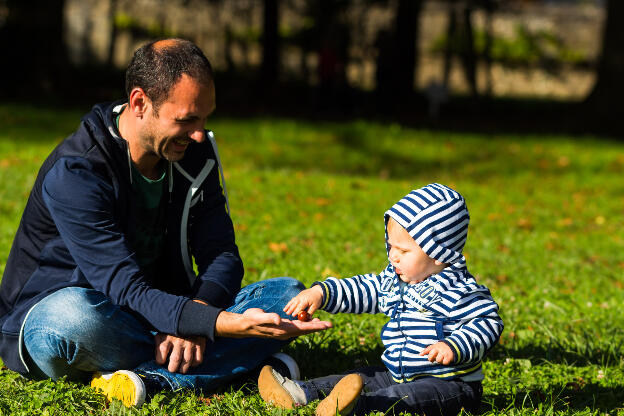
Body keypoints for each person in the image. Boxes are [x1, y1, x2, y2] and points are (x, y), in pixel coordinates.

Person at [0, 38, 331, 407]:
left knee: (289, 295)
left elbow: (221, 253)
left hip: (165, 310)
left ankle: (146, 379)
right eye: (187, 119)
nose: (200, 133)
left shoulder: (195, 150)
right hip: (74, 315)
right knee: (69, 320)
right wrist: (217, 325)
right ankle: (243, 363)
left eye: (206, 118)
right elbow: (123, 287)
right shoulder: (77, 171)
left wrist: (199, 315)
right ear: (140, 103)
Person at [258, 183, 504, 416]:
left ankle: (358, 407)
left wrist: (455, 345)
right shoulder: (397, 281)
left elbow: (487, 323)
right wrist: (322, 293)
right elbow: (365, 289)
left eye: (404, 251)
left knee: (401, 397)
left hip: (450, 385)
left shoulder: (460, 291)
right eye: (391, 247)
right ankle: (300, 392)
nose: (393, 257)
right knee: (358, 378)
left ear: (438, 253)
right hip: (396, 373)